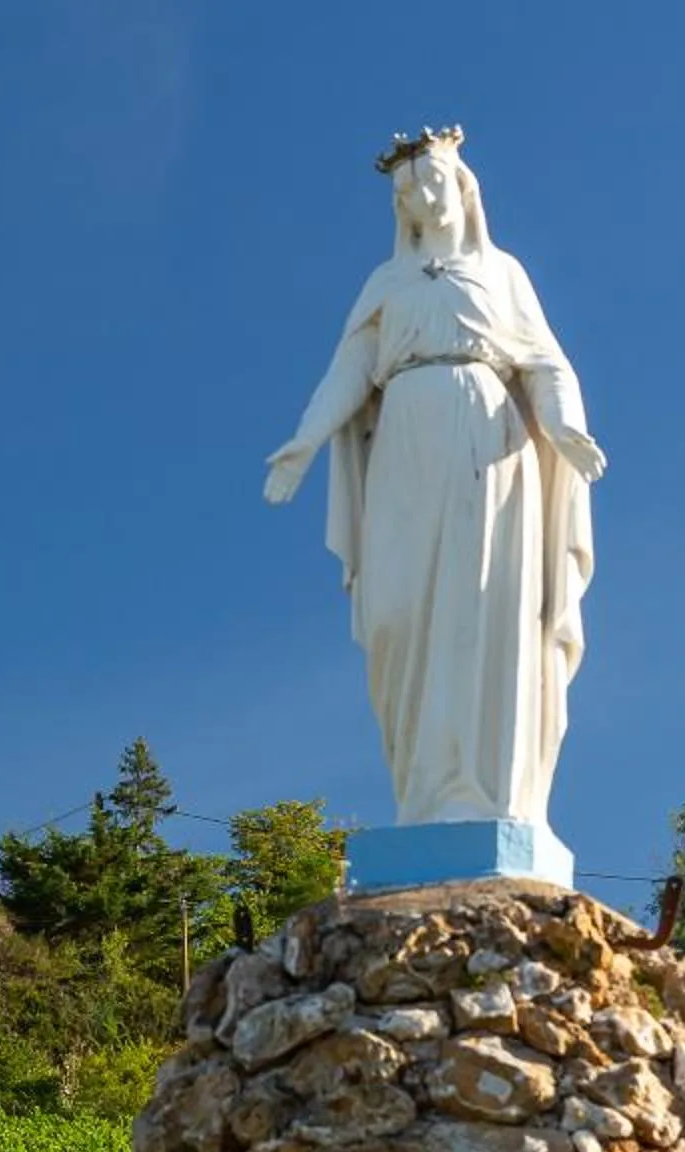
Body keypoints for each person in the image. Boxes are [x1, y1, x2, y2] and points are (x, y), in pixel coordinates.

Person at [264, 128, 604, 831]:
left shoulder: (502, 273)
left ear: (462, 187)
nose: (419, 198)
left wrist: (566, 428)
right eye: (404, 193)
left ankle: (490, 798)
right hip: (402, 450)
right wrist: (305, 438)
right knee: (398, 615)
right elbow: (352, 368)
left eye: (430, 183)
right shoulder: (384, 284)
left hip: (486, 444)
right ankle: (423, 798)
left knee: (482, 608)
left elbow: (545, 364)